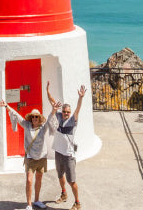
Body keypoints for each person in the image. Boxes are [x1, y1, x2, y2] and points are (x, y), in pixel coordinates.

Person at [0, 98, 57, 210]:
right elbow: (16, 115)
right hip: (30, 158)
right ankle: (29, 204)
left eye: (37, 117)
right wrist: (7, 106)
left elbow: (50, 118)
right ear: (31, 118)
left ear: (39, 118)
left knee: (39, 179)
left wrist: (54, 110)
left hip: (41, 157)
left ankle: (37, 200)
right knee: (29, 180)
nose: (35, 118)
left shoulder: (43, 127)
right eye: (33, 117)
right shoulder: (26, 125)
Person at [46, 82, 87, 210]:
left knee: (72, 181)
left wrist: (80, 97)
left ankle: (77, 202)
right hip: (58, 152)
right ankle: (64, 194)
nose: (65, 113)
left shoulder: (73, 120)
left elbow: (78, 109)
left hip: (68, 155)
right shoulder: (58, 116)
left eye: (67, 112)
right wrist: (47, 91)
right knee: (59, 176)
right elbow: (52, 102)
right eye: (64, 111)